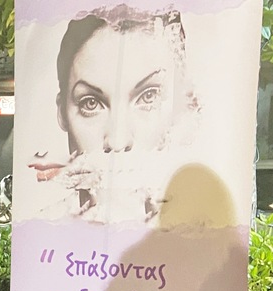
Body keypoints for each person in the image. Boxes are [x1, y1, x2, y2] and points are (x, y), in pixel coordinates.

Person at [31, 7, 199, 221]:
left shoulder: (205, 233)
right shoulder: (40, 228)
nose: (118, 141)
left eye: (149, 97)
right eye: (91, 103)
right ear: (62, 113)